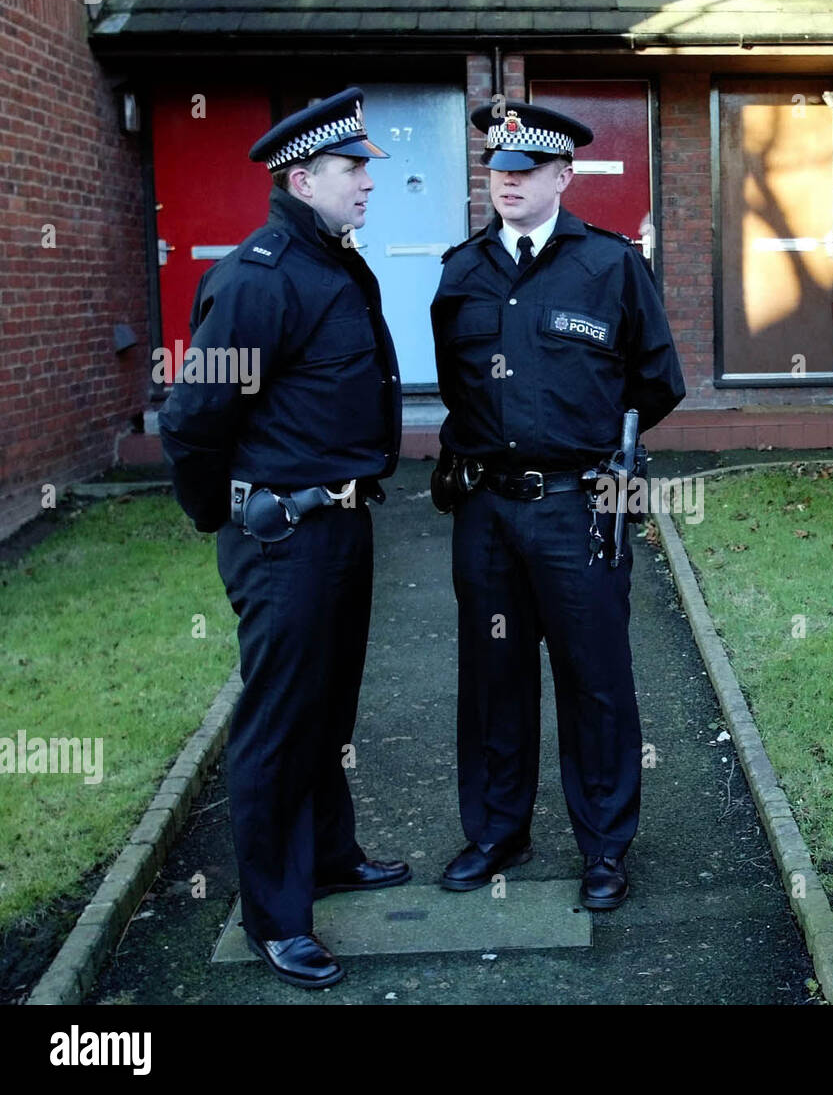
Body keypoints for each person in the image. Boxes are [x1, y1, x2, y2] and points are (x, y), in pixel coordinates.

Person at [158, 87, 410, 989]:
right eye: (354, 170)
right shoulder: (259, 277)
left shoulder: (335, 264)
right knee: (278, 722)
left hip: (343, 523)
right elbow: (191, 420)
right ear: (302, 177)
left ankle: (332, 854)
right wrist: (218, 514)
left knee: (330, 710)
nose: (368, 184)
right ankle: (275, 918)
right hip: (284, 538)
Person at [429, 101, 686, 910]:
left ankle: (605, 849)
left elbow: (658, 381)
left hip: (577, 508)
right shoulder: (461, 270)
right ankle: (497, 832)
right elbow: (456, 386)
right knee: (492, 679)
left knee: (595, 682)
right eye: (498, 170)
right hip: (487, 512)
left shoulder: (609, 267)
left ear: (562, 177)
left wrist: (583, 441)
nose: (507, 183)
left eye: (525, 171)